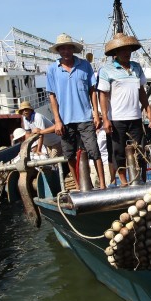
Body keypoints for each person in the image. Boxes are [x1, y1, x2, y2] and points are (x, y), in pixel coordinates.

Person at [46, 33, 106, 189]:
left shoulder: (85, 65)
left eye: (68, 48)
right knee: (69, 154)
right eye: (62, 48)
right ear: (58, 51)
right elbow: (52, 96)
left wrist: (95, 112)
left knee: (94, 151)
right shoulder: (52, 69)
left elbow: (92, 90)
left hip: (85, 117)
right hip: (65, 120)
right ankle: (79, 186)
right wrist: (57, 120)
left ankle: (103, 185)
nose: (65, 51)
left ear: (72, 49)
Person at [97, 33, 151, 186]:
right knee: (118, 152)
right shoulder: (106, 70)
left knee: (140, 151)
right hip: (116, 118)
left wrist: (148, 109)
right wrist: (105, 118)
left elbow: (141, 90)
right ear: (115, 52)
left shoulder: (136, 67)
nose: (126, 53)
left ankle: (140, 179)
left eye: (128, 49)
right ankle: (123, 181)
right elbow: (102, 95)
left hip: (135, 117)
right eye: (122, 50)